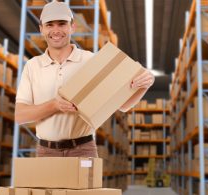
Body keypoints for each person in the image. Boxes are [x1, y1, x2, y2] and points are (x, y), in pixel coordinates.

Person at [15, 0, 154, 157]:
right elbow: (20, 116)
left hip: (82, 149)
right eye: (49, 25)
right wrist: (54, 105)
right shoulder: (33, 66)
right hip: (46, 151)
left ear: (72, 27)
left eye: (62, 24)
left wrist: (143, 86)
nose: (56, 30)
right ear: (41, 29)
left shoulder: (91, 61)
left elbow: (122, 105)